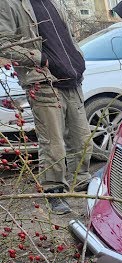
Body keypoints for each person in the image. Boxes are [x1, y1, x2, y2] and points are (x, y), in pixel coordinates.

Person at [0, 0, 93, 215]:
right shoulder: (10, 3)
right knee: (53, 143)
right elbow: (3, 41)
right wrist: (41, 58)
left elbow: (66, 35)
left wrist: (78, 57)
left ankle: (81, 180)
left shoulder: (53, 1)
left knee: (82, 138)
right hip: (44, 82)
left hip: (72, 80)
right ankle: (54, 191)